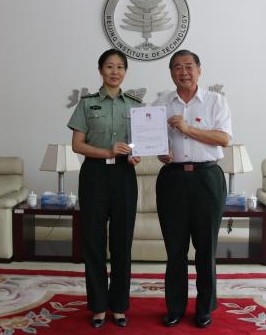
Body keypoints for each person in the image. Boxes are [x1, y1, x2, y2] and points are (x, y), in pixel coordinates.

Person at [153, 49, 232, 329]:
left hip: (206, 178)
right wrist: (159, 151)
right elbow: (153, 139)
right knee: (175, 249)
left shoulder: (216, 101)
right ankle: (174, 307)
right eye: (177, 67)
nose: (183, 72)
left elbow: (223, 138)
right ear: (171, 73)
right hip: (172, 179)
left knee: (206, 248)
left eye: (189, 66)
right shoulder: (161, 103)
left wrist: (187, 129)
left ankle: (204, 308)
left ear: (199, 70)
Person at [67, 48, 142, 328]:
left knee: (122, 243)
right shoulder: (87, 104)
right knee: (94, 242)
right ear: (100, 70)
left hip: (124, 175)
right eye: (109, 66)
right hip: (94, 175)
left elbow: (139, 143)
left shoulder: (135, 105)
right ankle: (98, 306)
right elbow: (77, 145)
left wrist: (135, 154)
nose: (115, 72)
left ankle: (119, 306)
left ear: (125, 72)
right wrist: (108, 151)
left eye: (120, 67)